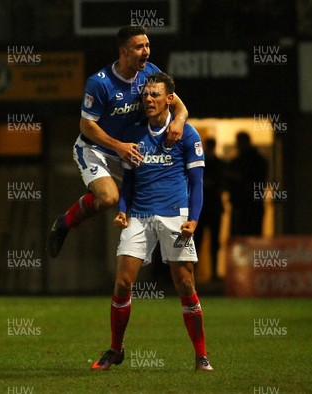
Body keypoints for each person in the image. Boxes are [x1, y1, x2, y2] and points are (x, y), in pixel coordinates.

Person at [91, 72, 213, 372]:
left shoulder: (187, 134)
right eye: (146, 95)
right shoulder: (133, 134)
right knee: (122, 283)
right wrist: (122, 208)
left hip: (175, 214)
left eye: (155, 95)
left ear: (169, 99)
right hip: (141, 215)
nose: (148, 99)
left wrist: (194, 221)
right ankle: (116, 349)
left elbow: (197, 184)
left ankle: (201, 356)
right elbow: (129, 180)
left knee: (184, 283)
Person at [47, 25, 189, 258]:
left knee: (158, 188)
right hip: (95, 149)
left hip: (128, 151)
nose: (146, 51)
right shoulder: (100, 83)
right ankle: (64, 222)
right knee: (109, 198)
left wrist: (179, 121)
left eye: (147, 45)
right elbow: (86, 126)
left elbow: (179, 106)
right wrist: (118, 146)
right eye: (139, 47)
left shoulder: (150, 73)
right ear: (123, 52)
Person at [193, 138, 224, 281]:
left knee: (213, 242)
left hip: (211, 208)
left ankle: (212, 273)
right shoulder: (211, 163)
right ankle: (195, 272)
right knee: (197, 241)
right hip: (204, 208)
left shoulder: (215, 163)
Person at [227, 132, 267, 236]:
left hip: (243, 205)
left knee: (240, 237)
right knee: (253, 237)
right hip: (252, 205)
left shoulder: (237, 163)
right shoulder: (260, 161)